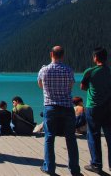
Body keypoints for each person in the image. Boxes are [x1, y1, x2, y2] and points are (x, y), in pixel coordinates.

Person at [38, 46, 81, 175]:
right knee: (71, 138)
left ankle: (49, 168)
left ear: (51, 54)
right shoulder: (69, 70)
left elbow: (40, 85)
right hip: (67, 107)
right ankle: (74, 169)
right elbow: (70, 86)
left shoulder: (44, 70)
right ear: (63, 55)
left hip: (50, 107)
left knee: (49, 137)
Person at [81, 47, 111, 174]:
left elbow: (83, 87)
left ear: (95, 58)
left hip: (93, 107)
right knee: (109, 136)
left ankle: (96, 164)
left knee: (93, 135)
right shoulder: (109, 72)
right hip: (108, 107)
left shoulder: (90, 71)